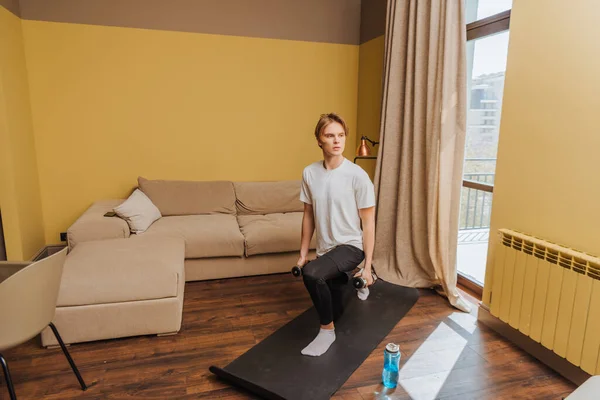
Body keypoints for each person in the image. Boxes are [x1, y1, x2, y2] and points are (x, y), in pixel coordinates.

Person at [296, 112, 376, 357]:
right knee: (336, 297)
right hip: (326, 249)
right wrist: (302, 254)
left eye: (340, 135)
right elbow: (308, 215)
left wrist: (367, 266)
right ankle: (345, 279)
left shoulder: (357, 176)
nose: (336, 141)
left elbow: (368, 222)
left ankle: (326, 332)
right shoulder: (310, 173)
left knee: (312, 274)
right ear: (319, 140)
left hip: (351, 246)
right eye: (329, 135)